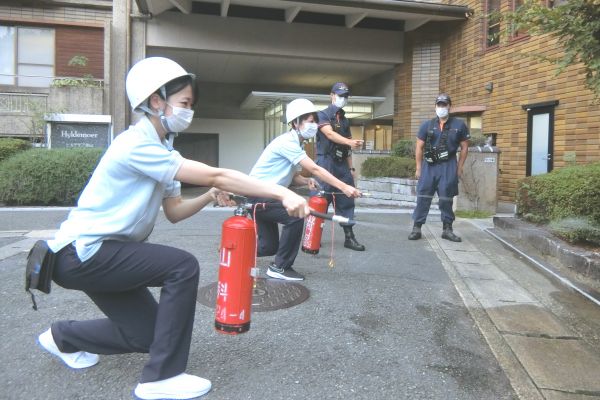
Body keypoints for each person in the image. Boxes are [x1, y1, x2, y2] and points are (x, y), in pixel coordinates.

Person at [37, 57, 309, 400]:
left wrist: (210, 195)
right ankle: (161, 378)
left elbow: (175, 212)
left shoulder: (162, 148)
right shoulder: (136, 143)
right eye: (184, 103)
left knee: (148, 334)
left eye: (190, 105)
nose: (188, 111)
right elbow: (217, 173)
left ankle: (63, 337)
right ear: (156, 101)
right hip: (84, 253)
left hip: (98, 256)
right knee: (181, 267)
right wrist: (281, 191)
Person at [249, 98, 361, 281]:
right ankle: (280, 267)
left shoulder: (296, 143)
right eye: (310, 121)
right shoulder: (287, 142)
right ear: (295, 123)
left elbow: (289, 176)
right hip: (258, 196)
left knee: (268, 247)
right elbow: (316, 168)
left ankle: (234, 248)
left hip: (263, 196)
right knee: (296, 214)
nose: (315, 125)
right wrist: (344, 186)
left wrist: (305, 181)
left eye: (315, 121)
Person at [408, 93, 470, 242]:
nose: (442, 107)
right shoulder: (427, 125)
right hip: (429, 166)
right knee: (423, 196)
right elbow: (419, 147)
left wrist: (460, 167)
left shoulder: (459, 125)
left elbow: (464, 147)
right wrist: (418, 167)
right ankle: (417, 228)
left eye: (444, 104)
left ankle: (447, 229)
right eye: (439, 105)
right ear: (435, 106)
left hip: (448, 165)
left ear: (449, 106)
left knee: (446, 198)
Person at [314, 82, 366, 251]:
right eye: (340, 95)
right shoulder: (322, 115)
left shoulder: (344, 119)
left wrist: (351, 169)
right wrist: (350, 141)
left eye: (345, 96)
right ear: (332, 95)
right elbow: (329, 134)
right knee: (321, 199)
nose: (343, 99)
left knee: (346, 199)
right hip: (326, 162)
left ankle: (349, 238)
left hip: (342, 164)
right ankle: (312, 236)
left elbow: (347, 148)